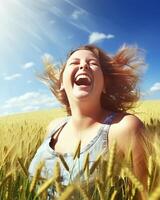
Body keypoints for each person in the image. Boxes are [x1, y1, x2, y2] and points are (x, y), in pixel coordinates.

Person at [29, 44, 149, 199]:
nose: (83, 65)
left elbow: (145, 194)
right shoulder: (53, 127)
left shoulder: (125, 128)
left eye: (92, 63)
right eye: (74, 63)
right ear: (62, 84)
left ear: (105, 84)